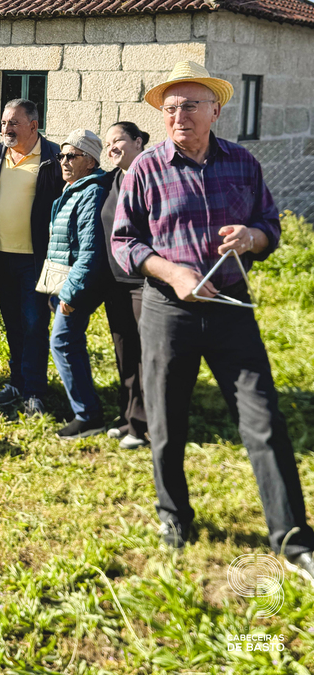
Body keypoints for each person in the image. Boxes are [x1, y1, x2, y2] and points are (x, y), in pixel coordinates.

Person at [112, 59, 314, 579]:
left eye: (191, 105)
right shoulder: (145, 169)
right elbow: (124, 242)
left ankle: (292, 538)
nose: (179, 115)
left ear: (216, 110)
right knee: (166, 421)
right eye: (171, 107)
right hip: (168, 310)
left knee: (264, 419)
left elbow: (269, 222)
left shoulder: (243, 163)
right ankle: (174, 517)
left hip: (230, 310)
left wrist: (254, 238)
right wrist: (171, 272)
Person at [0, 99, 63, 417]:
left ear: (33, 125)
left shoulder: (54, 157)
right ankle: (17, 382)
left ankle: (35, 391)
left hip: (35, 261)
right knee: (13, 323)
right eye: (3, 123)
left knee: (35, 324)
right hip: (2, 258)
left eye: (13, 123)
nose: (6, 129)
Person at [46, 130, 112, 438]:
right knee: (70, 343)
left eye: (72, 156)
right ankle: (85, 409)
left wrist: (70, 294)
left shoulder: (91, 192)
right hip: (66, 283)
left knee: (62, 342)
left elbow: (89, 250)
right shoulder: (74, 189)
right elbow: (62, 245)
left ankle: (88, 416)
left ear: (91, 160)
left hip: (79, 286)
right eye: (62, 155)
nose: (64, 162)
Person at [100, 122, 149, 450]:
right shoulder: (113, 179)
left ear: (139, 141)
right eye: (107, 144)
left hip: (143, 283)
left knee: (146, 354)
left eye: (117, 140)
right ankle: (126, 414)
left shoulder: (150, 179)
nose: (111, 147)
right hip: (114, 281)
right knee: (124, 351)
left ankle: (142, 424)